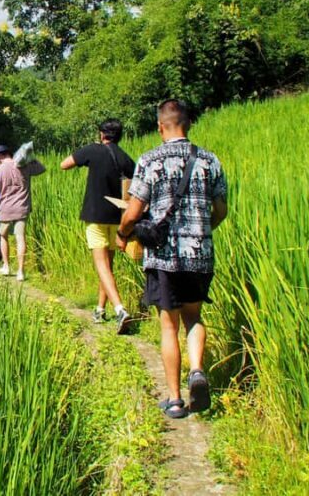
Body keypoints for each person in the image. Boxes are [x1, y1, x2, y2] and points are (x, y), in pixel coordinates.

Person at [116, 99, 228, 419]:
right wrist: (202, 231)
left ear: (160, 126)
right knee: (194, 316)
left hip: (164, 256)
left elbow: (134, 212)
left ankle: (175, 400)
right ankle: (196, 371)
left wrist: (124, 234)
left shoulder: (150, 160)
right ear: (187, 123)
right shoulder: (210, 160)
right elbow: (220, 210)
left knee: (169, 325)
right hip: (200, 254)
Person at [60, 119, 136, 334]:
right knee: (108, 267)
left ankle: (120, 309)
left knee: (101, 265)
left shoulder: (93, 150)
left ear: (102, 134)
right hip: (119, 217)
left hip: (96, 214)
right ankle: (100, 309)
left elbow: (64, 164)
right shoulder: (125, 158)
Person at [0, 144, 46, 282]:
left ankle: (6, 266)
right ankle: (21, 272)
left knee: (3, 236)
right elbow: (42, 169)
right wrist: (30, 157)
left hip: (5, 209)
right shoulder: (25, 166)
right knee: (20, 238)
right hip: (22, 208)